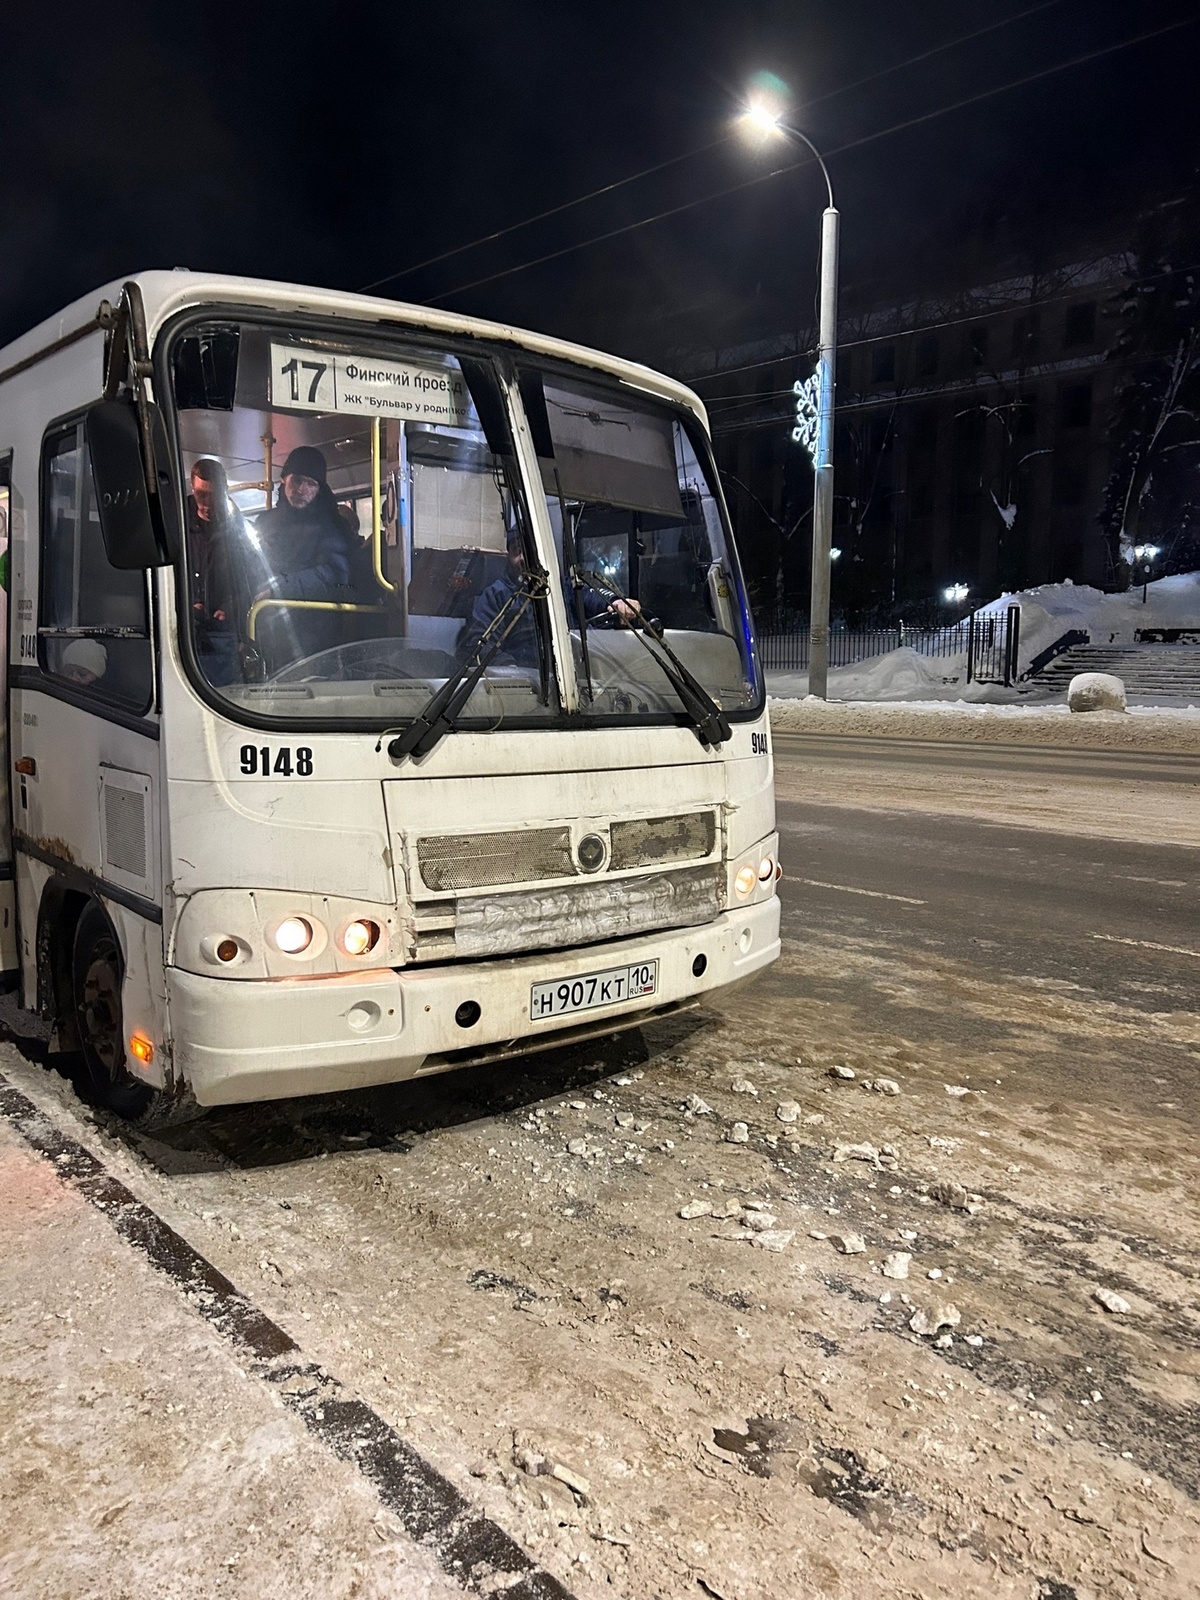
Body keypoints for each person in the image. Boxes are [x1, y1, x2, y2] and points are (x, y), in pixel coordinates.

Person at [458, 529, 638, 669]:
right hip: (527, 684)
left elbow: (592, 598)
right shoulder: (495, 595)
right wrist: (509, 670)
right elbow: (478, 643)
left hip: (575, 678)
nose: (523, 559)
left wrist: (618, 602)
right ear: (508, 555)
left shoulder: (562, 586)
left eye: (529, 552)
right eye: (517, 551)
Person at [252, 446, 369, 605]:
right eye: (297, 480)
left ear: (319, 489)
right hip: (264, 619)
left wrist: (279, 590)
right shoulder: (265, 523)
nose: (301, 490)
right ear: (284, 479)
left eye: (311, 484)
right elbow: (250, 571)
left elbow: (333, 574)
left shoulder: (332, 527)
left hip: (313, 621)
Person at [186, 458, 252, 685]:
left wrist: (232, 607)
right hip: (182, 628)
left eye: (213, 495)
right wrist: (186, 603)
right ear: (192, 489)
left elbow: (251, 580)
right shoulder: (176, 524)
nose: (207, 503)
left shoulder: (239, 529)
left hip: (223, 634)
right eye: (201, 495)